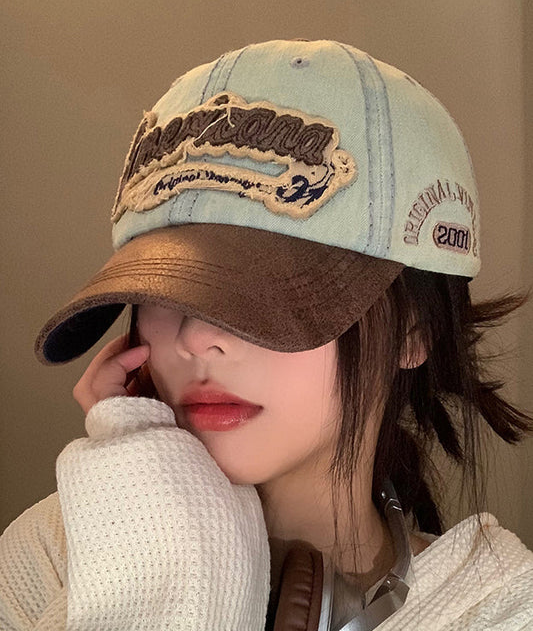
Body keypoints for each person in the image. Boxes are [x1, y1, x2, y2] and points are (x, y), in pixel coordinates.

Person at [1, 38, 532, 630]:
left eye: (271, 290)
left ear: (413, 332)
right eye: (167, 288)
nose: (195, 338)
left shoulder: (500, 610)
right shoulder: (49, 556)